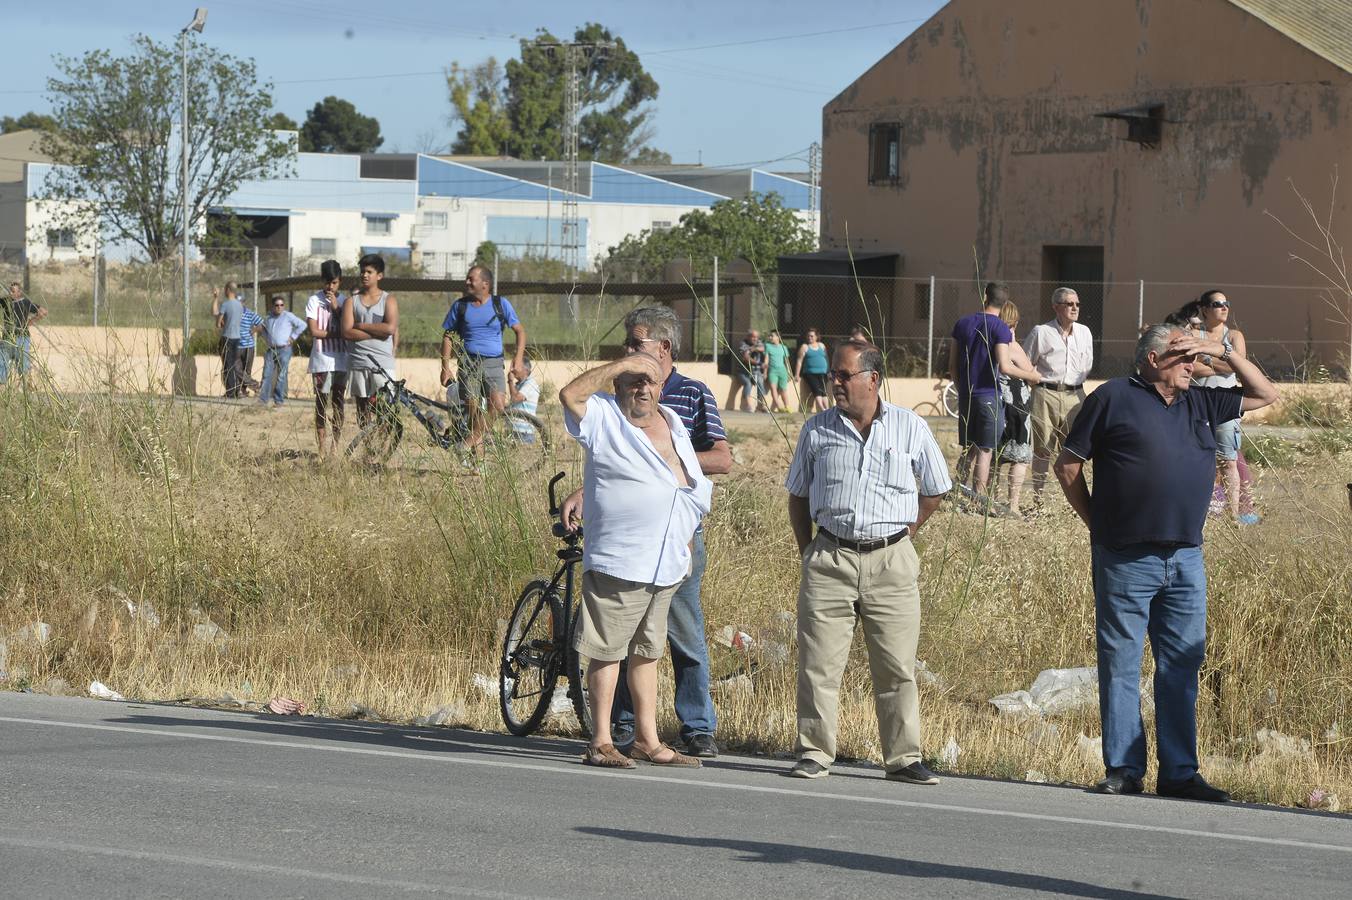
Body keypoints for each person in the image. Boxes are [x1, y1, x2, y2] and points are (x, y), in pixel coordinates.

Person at [1053, 323, 1278, 802]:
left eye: (1194, 360)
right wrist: (1098, 525)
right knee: (1121, 662)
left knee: (1181, 662)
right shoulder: (1113, 397)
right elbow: (1067, 465)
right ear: (1153, 360)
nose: (1193, 367)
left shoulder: (1202, 400)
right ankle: (1124, 769)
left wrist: (1218, 350)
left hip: (1185, 560)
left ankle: (1178, 772)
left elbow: (1265, 392)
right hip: (1124, 557)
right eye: (1183, 358)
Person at [561, 306, 733, 758]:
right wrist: (624, 365)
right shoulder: (605, 415)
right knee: (608, 649)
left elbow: (695, 471)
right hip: (622, 559)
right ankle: (602, 738)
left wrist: (688, 522)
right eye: (632, 376)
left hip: (668, 559)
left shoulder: (676, 418)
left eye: (648, 375)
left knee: (650, 651)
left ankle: (648, 738)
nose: (641, 382)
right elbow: (570, 395)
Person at [785, 339, 952, 782]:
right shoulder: (816, 430)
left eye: (844, 375)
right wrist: (810, 551)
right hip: (829, 558)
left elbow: (935, 490)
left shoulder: (910, 428)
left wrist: (905, 534)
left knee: (897, 667)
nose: (834, 382)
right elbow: (797, 496)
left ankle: (903, 758)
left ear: (873, 379)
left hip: (891, 562)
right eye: (833, 375)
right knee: (818, 664)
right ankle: (815, 752)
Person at [948, 282, 1041, 497]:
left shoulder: (962, 323)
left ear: (985, 296)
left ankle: (957, 493)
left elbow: (952, 367)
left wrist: (962, 388)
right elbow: (1006, 366)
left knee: (968, 448)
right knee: (986, 449)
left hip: (966, 394)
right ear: (1005, 302)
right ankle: (978, 498)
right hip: (989, 395)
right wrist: (1032, 376)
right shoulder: (999, 328)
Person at [439, 265, 528, 462]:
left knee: (497, 406)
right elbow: (448, 337)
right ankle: (477, 464)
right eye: (467, 279)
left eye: (472, 279)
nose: (467, 282)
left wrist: (518, 358)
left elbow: (520, 331)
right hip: (468, 364)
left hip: (494, 363)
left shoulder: (500, 304)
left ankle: (467, 443)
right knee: (473, 413)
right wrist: (445, 367)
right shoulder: (460, 306)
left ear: (485, 284)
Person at [1186, 291, 1258, 525]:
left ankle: (1233, 516)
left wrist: (1205, 358)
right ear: (1205, 309)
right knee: (1197, 460)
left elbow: (1239, 366)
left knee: (1228, 461)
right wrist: (1221, 361)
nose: (1224, 307)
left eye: (1227, 303)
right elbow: (1188, 367)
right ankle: (1198, 514)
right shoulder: (1193, 334)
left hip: (1227, 403)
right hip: (1197, 402)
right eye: (1218, 304)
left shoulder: (1235, 335)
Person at [1024, 287, 1093, 502]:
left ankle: (1072, 500)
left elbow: (1087, 364)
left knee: (1074, 451)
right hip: (1046, 393)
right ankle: (1038, 499)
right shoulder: (1041, 332)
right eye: (1069, 303)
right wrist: (1035, 383)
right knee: (1043, 448)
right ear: (1056, 307)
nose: (1074, 308)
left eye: (1077, 304)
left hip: (1076, 395)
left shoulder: (1084, 332)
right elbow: (1026, 363)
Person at [341, 254, 398, 430]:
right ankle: (368, 448)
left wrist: (361, 325)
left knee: (385, 407)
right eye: (362, 271)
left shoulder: (389, 300)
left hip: (382, 362)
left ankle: (382, 448)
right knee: (362, 408)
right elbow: (347, 332)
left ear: (379, 275)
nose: (364, 275)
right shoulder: (351, 301)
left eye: (369, 272)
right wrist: (376, 332)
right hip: (358, 362)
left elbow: (390, 329)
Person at [996, 301, 1038, 514]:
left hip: (996, 404)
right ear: (1015, 322)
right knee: (1020, 457)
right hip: (1017, 406)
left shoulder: (989, 343)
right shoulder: (1011, 346)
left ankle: (990, 499)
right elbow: (1031, 373)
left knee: (995, 456)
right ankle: (1013, 505)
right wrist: (1035, 374)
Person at [306, 260, 350, 456]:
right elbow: (314, 331)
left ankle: (335, 447)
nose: (330, 287)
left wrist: (336, 309)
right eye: (327, 283)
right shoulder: (313, 301)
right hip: (321, 360)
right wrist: (338, 334)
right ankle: (321, 448)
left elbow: (349, 329)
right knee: (321, 403)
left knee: (338, 403)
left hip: (341, 361)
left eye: (334, 283)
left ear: (339, 282)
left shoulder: (345, 302)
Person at [258, 295, 307, 408]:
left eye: (282, 305)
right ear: (272, 306)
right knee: (266, 374)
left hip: (284, 349)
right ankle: (263, 400)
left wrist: (293, 337)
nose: (279, 307)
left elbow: (303, 325)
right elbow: (263, 329)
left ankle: (279, 400)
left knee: (281, 375)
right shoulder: (268, 318)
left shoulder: (288, 316)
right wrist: (267, 339)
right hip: (271, 349)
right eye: (277, 305)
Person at [1, 282, 48, 385]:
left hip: (22, 338)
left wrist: (30, 322)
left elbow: (43, 311)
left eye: (13, 291)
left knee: (23, 366)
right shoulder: (5, 302)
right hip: (7, 338)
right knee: (2, 364)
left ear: (19, 292)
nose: (11, 293)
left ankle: (26, 388)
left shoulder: (25, 303)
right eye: (9, 291)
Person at [214, 283, 246, 398]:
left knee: (228, 366)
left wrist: (216, 299)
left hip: (227, 337)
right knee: (233, 364)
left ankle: (231, 392)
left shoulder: (226, 304)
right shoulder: (240, 305)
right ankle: (236, 390)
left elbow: (218, 323)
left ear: (227, 290)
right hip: (237, 338)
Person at [730, 330, 768, 413]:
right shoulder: (743, 344)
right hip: (743, 371)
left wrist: (754, 349)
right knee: (748, 383)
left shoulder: (758, 342)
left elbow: (762, 348)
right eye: (753, 337)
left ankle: (761, 406)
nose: (755, 339)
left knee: (760, 384)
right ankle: (748, 406)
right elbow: (746, 358)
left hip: (756, 370)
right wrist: (758, 362)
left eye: (756, 337)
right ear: (748, 337)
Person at [795, 327, 830, 413]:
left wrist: (829, 370)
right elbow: (799, 361)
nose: (809, 338)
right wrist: (797, 374)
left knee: (824, 391)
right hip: (810, 373)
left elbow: (826, 358)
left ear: (816, 337)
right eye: (808, 336)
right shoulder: (805, 347)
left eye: (812, 336)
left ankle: (828, 409)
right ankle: (822, 409)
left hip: (823, 372)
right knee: (817, 390)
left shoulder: (822, 345)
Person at [507, 357, 541, 444]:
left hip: (524, 433)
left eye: (515, 366)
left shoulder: (530, 383)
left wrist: (510, 380)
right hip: (514, 431)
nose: (512, 369)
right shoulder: (519, 385)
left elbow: (515, 398)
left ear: (525, 369)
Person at [764, 329, 792, 413]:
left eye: (772, 336)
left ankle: (787, 407)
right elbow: (766, 360)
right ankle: (779, 406)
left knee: (783, 389)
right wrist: (765, 372)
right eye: (770, 336)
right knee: (773, 388)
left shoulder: (784, 347)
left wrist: (789, 373)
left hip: (782, 370)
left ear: (778, 337)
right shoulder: (767, 346)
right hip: (772, 370)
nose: (770, 337)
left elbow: (787, 361)